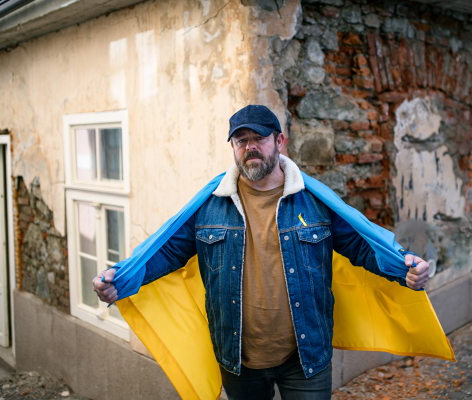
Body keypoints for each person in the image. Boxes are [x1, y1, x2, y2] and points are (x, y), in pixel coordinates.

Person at [93, 105, 431, 400]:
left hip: (305, 355)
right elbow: (166, 252)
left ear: (279, 142)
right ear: (232, 147)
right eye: (242, 141)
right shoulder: (210, 207)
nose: (251, 147)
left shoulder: (313, 201)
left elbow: (360, 244)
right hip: (238, 357)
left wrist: (403, 269)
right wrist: (121, 280)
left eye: (260, 138)